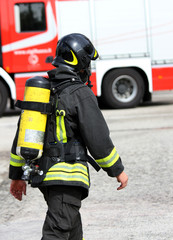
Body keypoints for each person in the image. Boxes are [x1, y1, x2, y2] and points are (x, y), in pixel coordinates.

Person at [9, 33, 128, 240]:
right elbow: (98, 138)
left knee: (72, 233)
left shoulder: (44, 90)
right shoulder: (79, 93)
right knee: (56, 233)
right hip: (67, 177)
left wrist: (17, 176)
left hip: (46, 176)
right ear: (81, 61)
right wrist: (117, 170)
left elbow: (23, 134)